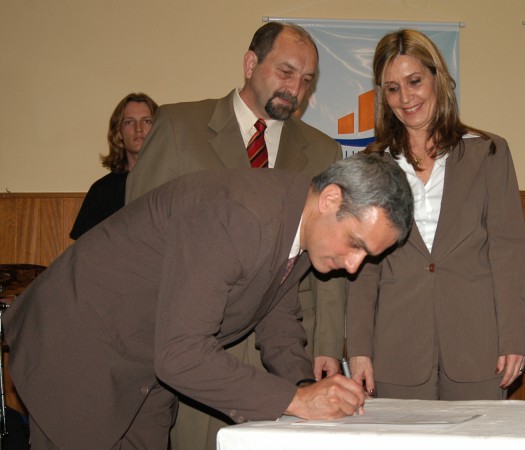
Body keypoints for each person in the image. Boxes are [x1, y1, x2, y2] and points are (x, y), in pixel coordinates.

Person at [3, 153, 414, 449]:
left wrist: (305, 385)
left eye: (368, 257)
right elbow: (181, 354)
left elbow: (277, 316)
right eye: (356, 244)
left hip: (140, 364)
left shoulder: (302, 225)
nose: (354, 266)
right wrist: (295, 401)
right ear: (330, 200)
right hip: (75, 349)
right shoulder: (238, 216)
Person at [125, 22, 346, 447]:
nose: (295, 89)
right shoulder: (178, 127)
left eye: (306, 80)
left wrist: (327, 345)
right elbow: (140, 240)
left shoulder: (323, 151)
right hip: (194, 345)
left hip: (285, 349)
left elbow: (331, 266)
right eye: (285, 72)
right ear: (250, 64)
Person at [346, 29, 525, 400]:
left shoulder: (489, 153)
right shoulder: (371, 164)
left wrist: (513, 337)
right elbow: (363, 268)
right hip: (395, 347)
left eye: (414, 81)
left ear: (437, 78)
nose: (405, 98)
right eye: (392, 88)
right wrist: (358, 348)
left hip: (479, 346)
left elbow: (507, 252)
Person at [69, 92, 158, 239]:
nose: (138, 129)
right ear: (119, 132)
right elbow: (84, 249)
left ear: (159, 129)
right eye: (129, 122)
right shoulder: (102, 191)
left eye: (147, 121)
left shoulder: (173, 183)